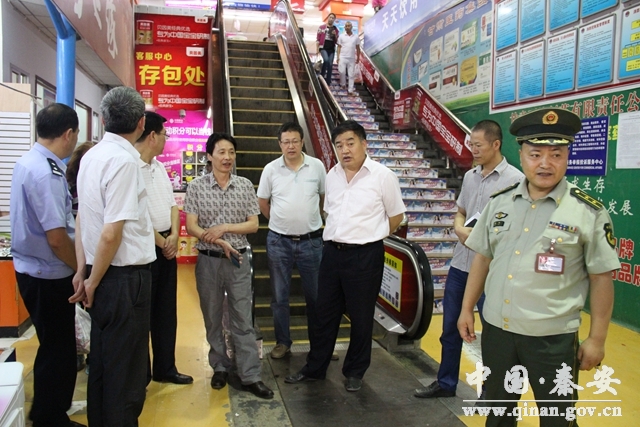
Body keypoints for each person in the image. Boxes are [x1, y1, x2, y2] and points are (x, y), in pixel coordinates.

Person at [458, 108, 621, 426]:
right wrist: (467, 308)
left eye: (556, 154)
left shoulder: (588, 212)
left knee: (557, 419)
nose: (545, 163)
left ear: (567, 157)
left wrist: (597, 338)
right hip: (498, 332)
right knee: (499, 415)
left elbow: (601, 278)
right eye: (535, 154)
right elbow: (482, 258)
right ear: (521, 156)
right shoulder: (500, 202)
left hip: (552, 340)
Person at [285, 120, 405, 392]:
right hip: (332, 253)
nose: (345, 150)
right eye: (339, 145)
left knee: (361, 317)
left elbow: (396, 216)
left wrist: (371, 235)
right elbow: (329, 210)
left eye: (350, 143)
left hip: (365, 256)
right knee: (324, 313)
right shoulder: (333, 174)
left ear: (364, 144)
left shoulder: (383, 176)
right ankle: (315, 368)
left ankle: (354, 371)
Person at [415, 120, 523, 399]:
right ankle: (445, 382)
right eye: (471, 144)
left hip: (491, 269)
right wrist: (459, 228)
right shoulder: (470, 177)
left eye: (478, 145)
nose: (473, 150)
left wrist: (483, 237)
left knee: (493, 334)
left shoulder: (515, 180)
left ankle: (490, 391)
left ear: (496, 144)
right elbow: (461, 211)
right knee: (450, 327)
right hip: (461, 264)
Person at [73, 87, 156, 426]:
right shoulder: (125, 162)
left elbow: (83, 217)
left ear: (104, 120)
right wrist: (92, 280)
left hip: (100, 270)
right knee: (127, 375)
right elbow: (111, 231)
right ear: (141, 123)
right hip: (123, 279)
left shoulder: (91, 156)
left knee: (104, 365)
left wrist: (83, 269)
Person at [10, 103, 84, 427]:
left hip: (29, 268)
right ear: (68, 134)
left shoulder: (27, 161)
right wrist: (81, 270)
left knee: (53, 345)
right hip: (49, 274)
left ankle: (46, 411)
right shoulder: (47, 173)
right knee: (59, 349)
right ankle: (50, 417)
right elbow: (56, 238)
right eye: (76, 135)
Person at [184, 133, 274, 399]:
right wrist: (214, 239)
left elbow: (253, 225)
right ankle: (220, 367)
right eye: (221, 152)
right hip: (208, 261)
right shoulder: (197, 187)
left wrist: (224, 228)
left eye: (231, 152)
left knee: (243, 318)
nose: (227, 157)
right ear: (209, 156)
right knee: (212, 317)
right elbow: (191, 225)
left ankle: (250, 375)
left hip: (238, 260)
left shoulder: (244, 185)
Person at [256, 122, 326, 359]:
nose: (291, 146)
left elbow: (323, 198)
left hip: (312, 242)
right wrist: (280, 222)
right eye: (286, 142)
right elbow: (262, 202)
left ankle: (319, 345)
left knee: (316, 297)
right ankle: (283, 342)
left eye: (295, 141)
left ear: (302, 142)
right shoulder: (270, 169)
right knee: (279, 296)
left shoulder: (317, 166)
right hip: (279, 242)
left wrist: (310, 218)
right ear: (280, 144)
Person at [135, 111, 194, 385]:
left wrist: (173, 235)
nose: (165, 139)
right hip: (144, 251)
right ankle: (142, 373)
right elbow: (136, 216)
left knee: (166, 312)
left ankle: (165, 368)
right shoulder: (131, 167)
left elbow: (172, 205)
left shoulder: (158, 167)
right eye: (164, 134)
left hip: (165, 248)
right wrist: (163, 241)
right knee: (142, 315)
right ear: (152, 136)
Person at [66, 141, 96, 373]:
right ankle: (79, 351)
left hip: (89, 256)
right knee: (77, 307)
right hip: (74, 255)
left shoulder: (92, 187)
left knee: (88, 307)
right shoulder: (72, 189)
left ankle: (88, 352)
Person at [336, 21, 360, 94]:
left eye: (349, 25)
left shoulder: (356, 37)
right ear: (344, 27)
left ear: (351, 27)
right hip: (342, 57)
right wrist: (338, 57)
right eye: (346, 26)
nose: (347, 27)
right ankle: (343, 84)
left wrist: (358, 57)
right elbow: (339, 47)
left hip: (352, 58)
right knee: (341, 72)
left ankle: (350, 90)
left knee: (351, 74)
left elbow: (358, 48)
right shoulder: (341, 36)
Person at [316, 13, 339, 85]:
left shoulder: (335, 29)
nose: (331, 19)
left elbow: (337, 41)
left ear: (334, 20)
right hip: (323, 47)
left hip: (331, 49)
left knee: (330, 64)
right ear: (328, 18)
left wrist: (335, 35)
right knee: (326, 60)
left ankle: (328, 82)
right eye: (330, 17)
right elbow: (318, 39)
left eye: (333, 18)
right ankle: (322, 77)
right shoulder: (322, 27)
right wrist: (317, 50)